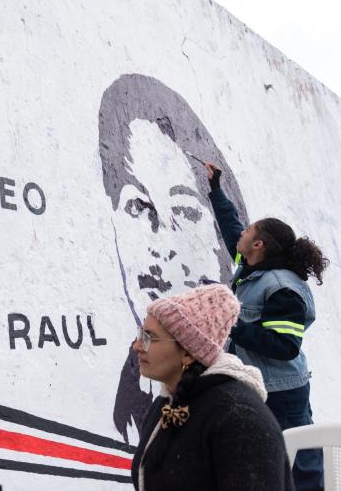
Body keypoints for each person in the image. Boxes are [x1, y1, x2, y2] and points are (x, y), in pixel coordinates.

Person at [98, 73, 251, 445]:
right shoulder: (139, 401)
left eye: (184, 211)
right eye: (137, 206)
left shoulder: (240, 422)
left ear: (224, 251)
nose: (160, 246)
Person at [204, 162, 328, 491]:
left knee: (302, 465)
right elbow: (233, 231)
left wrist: (230, 325)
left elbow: (284, 345)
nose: (242, 235)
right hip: (262, 385)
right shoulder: (251, 266)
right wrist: (216, 190)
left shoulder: (281, 286)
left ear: (259, 245)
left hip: (283, 391)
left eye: (249, 233)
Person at [130, 283, 294, 491]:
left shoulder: (240, 419)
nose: (137, 345)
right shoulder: (167, 402)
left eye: (150, 338)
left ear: (189, 353)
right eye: (140, 334)